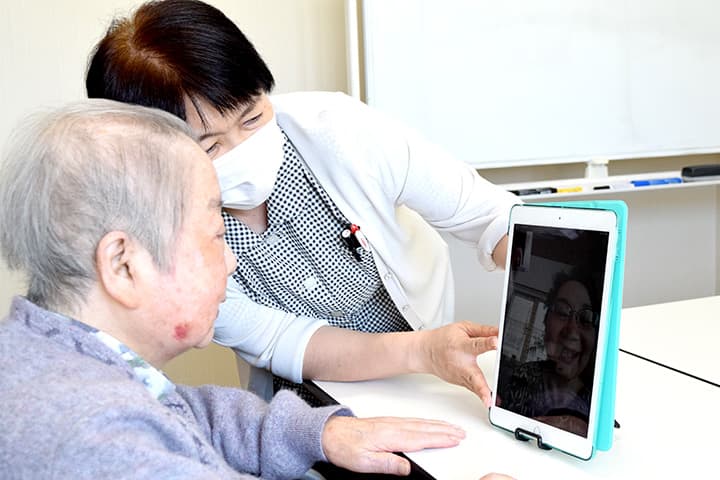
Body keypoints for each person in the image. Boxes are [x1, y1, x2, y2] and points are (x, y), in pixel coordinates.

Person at [0, 99, 503, 479]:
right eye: (216, 235)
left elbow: (186, 412)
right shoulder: (99, 440)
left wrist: (319, 431)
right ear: (124, 264)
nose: (234, 257)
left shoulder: (57, 358)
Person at [85, 0, 521, 404]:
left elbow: (488, 215)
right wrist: (421, 352)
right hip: (308, 397)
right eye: (211, 148)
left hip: (420, 375)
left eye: (253, 117)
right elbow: (281, 340)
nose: (244, 147)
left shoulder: (342, 133)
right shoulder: (164, 239)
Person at [496, 269, 600, 437]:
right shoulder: (523, 376)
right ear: (546, 323)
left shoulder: (599, 403)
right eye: (561, 312)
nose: (571, 330)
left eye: (586, 318)